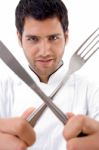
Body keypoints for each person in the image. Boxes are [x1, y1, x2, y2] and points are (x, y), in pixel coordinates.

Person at [0, 0, 99, 149]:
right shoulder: (4, 89)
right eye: (33, 39)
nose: (45, 51)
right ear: (19, 38)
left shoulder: (91, 89)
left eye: (53, 38)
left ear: (66, 37)